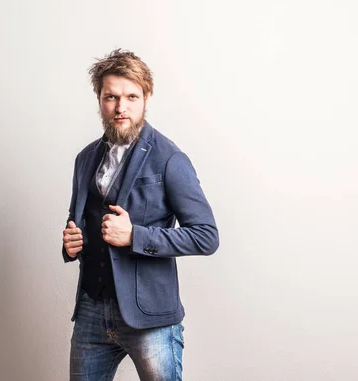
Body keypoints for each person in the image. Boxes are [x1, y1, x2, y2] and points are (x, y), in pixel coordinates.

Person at [62, 49, 219, 381]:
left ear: (146, 98)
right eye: (111, 97)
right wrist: (72, 242)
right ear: (99, 99)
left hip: (149, 316)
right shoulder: (85, 158)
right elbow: (82, 219)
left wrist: (135, 236)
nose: (121, 107)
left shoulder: (169, 158)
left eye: (131, 96)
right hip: (92, 309)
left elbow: (206, 235)